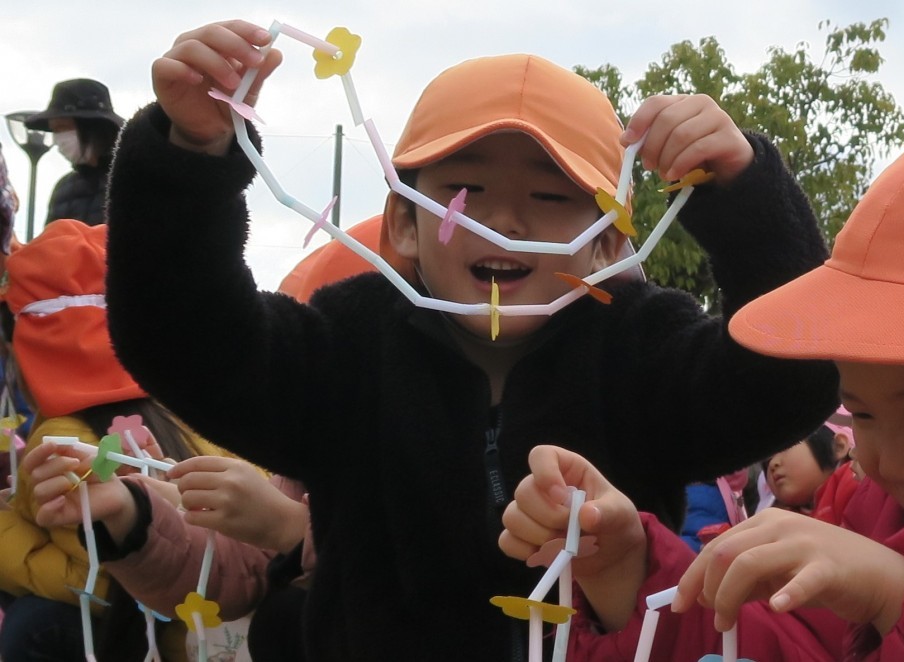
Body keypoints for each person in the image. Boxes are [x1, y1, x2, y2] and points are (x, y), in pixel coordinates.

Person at [102, 19, 839, 660]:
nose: (505, 223)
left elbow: (789, 381)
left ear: (609, 242)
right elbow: (184, 341)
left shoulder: (641, 346)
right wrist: (186, 158)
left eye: (551, 198)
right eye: (465, 191)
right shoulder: (347, 345)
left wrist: (743, 199)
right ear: (402, 224)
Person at [501, 110, 904, 659]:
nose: (892, 462)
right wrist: (624, 569)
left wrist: (897, 598)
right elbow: (776, 644)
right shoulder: (869, 517)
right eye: (863, 413)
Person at [0, 220, 256, 661]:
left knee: (36, 621)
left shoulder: (62, 442)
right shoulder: (194, 415)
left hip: (172, 641)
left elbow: (105, 581)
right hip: (234, 630)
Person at [25, 78, 123, 226]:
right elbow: (51, 243)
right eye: (54, 131)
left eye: (63, 127)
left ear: (92, 127)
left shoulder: (135, 178)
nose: (58, 138)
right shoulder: (64, 188)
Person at [762, 423, 848, 514]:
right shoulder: (783, 518)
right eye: (767, 462)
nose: (772, 464)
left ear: (838, 446)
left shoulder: (856, 489)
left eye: (785, 448)